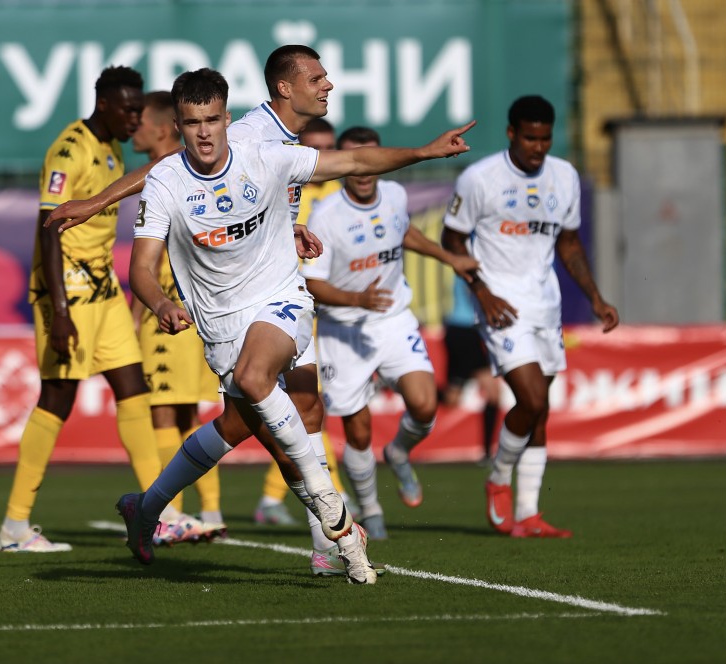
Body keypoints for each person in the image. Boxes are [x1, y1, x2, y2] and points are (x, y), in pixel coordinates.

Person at [116, 67, 474, 584]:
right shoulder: (167, 180)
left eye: (212, 120)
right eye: (192, 123)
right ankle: (146, 509)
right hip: (222, 321)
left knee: (275, 390)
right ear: (178, 125)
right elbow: (142, 269)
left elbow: (353, 161)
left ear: (226, 117)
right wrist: (159, 304)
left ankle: (331, 525)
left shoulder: (264, 153)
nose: (204, 133)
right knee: (239, 424)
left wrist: (423, 152)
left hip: (281, 295)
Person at [45, 46, 364, 577]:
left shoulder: (282, 139)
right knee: (268, 425)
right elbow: (163, 169)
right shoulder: (250, 131)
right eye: (317, 78)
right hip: (236, 305)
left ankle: (151, 509)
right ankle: (329, 538)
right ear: (286, 89)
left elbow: (255, 199)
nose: (327, 85)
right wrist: (97, 203)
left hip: (278, 287)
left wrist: (287, 227)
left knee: (284, 413)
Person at [0, 66, 162, 553]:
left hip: (103, 290)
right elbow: (48, 228)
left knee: (133, 388)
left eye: (139, 110)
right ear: (103, 104)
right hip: (66, 292)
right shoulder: (70, 150)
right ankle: (14, 526)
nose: (136, 119)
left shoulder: (112, 148)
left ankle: (161, 509)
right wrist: (61, 311)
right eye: (128, 110)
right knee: (57, 397)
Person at [441, 95, 619, 538]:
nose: (538, 147)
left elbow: (570, 244)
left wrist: (596, 298)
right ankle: (499, 477)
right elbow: (452, 241)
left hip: (545, 304)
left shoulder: (564, 176)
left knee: (539, 411)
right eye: (529, 138)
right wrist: (481, 293)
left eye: (545, 138)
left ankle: (528, 513)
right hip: (500, 306)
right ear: (511, 134)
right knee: (533, 399)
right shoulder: (480, 178)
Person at [302, 126, 479, 541]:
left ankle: (398, 451)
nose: (364, 170)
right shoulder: (326, 214)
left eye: (371, 158)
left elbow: (403, 231)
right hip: (343, 330)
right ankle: (371, 507)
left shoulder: (395, 195)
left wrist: (448, 257)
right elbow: (312, 283)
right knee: (358, 431)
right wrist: (356, 299)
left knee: (425, 404)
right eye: (355, 160)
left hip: (394, 320)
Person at [129, 90, 226, 545]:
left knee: (164, 411)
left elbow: (149, 262)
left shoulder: (166, 174)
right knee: (189, 411)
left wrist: (138, 313)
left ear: (162, 127)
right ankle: (210, 510)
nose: (133, 130)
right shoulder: (200, 168)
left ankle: (171, 515)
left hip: (171, 308)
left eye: (140, 122)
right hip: (201, 306)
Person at [252, 115, 354, 534]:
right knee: (298, 405)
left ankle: (283, 498)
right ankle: (331, 498)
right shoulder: (284, 187)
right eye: (316, 150)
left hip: (331, 308)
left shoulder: (337, 194)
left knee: (307, 407)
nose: (322, 157)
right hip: (285, 306)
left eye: (329, 149)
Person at [440, 275, 502, 465]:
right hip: (464, 333)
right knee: (493, 393)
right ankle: (487, 453)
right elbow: (475, 294)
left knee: (451, 399)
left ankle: (403, 388)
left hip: (461, 332)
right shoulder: (471, 269)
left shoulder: (468, 267)